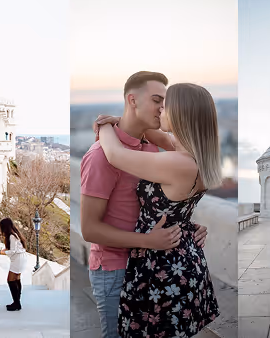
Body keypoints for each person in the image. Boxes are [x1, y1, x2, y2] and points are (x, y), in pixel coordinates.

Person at [80, 71, 209, 338]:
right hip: (116, 268)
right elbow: (90, 230)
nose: (162, 108)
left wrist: (184, 224)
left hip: (148, 266)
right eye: (156, 100)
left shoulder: (151, 149)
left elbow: (158, 205)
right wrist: (148, 241)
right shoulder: (99, 157)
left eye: (166, 103)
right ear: (132, 100)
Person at [0, 217, 28, 311]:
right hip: (21, 258)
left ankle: (16, 303)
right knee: (17, 278)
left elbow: (13, 251)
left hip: (18, 259)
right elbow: (12, 249)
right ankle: (17, 302)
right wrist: (1, 250)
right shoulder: (15, 234)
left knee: (10, 280)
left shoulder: (11, 236)